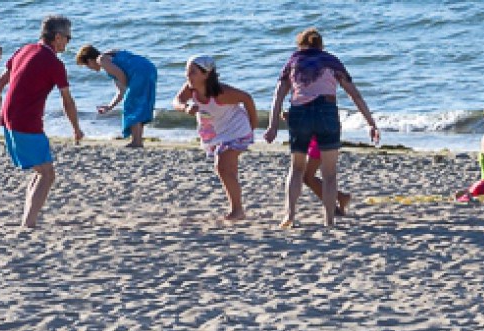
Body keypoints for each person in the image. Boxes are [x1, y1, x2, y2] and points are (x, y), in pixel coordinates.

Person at [264, 27, 378, 227]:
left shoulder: (294, 62)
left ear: (301, 44)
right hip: (326, 111)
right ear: (321, 45)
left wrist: (272, 125)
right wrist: (371, 123)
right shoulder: (331, 61)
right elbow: (355, 95)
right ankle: (329, 220)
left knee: (296, 169)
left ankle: (289, 215)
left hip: (299, 113)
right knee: (329, 173)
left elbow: (278, 95)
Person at [0, 14, 82, 229]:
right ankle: (29, 223)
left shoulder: (24, 50)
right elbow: (68, 101)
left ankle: (28, 220)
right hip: (26, 121)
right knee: (47, 174)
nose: (68, 42)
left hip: (8, 118)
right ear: (58, 37)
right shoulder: (54, 63)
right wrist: (76, 129)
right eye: (68, 38)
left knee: (42, 171)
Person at [174, 55, 255, 221]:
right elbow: (177, 100)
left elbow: (247, 98)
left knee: (222, 166)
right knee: (228, 169)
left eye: (192, 72)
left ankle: (237, 210)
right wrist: (185, 107)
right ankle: (237, 208)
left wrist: (253, 125)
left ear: (206, 74)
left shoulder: (221, 93)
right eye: (187, 71)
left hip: (236, 130)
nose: (188, 75)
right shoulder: (191, 88)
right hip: (216, 132)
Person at [74, 44, 157, 147]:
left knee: (131, 106)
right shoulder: (109, 58)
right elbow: (120, 91)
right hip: (149, 68)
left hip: (139, 72)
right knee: (139, 105)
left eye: (87, 66)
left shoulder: (101, 60)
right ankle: (137, 140)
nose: (90, 68)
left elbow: (121, 76)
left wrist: (129, 91)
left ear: (90, 60)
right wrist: (109, 107)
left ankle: (137, 141)